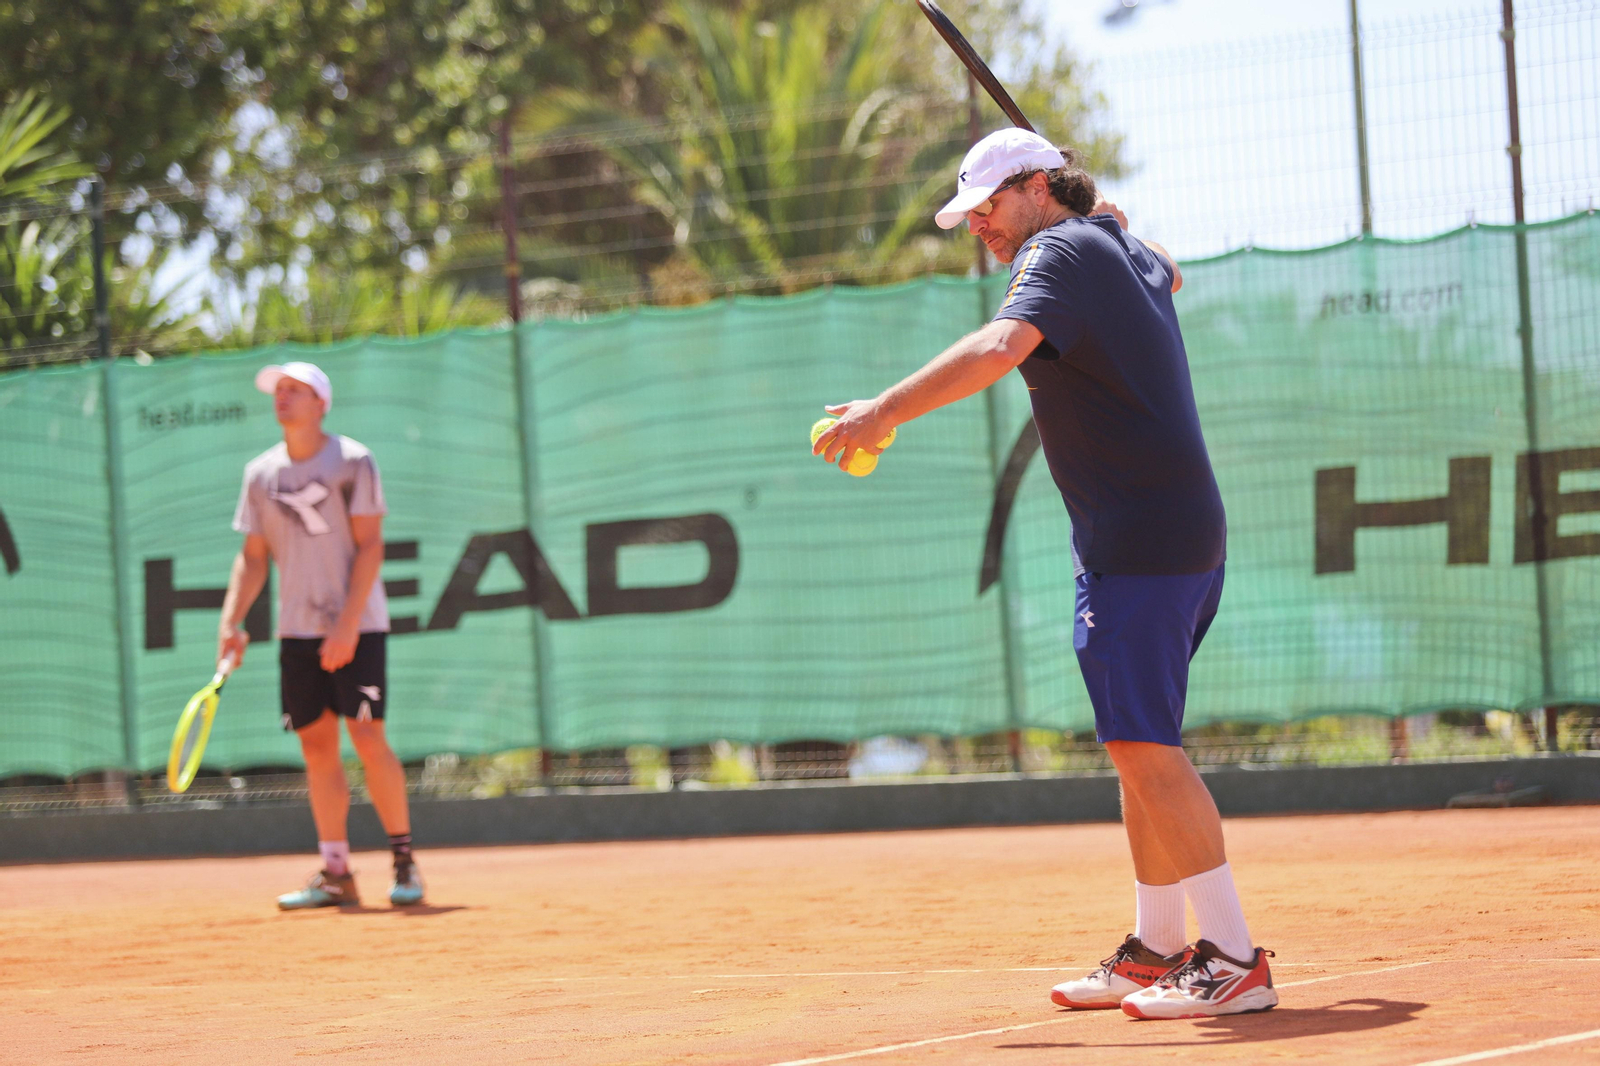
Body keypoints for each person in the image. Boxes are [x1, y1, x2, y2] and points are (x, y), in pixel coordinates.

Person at [812, 129, 1274, 1019]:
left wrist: (881, 411)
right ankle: (1158, 946)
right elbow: (1167, 268)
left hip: (1139, 536)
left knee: (1145, 748)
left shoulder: (1061, 247)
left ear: (1036, 187)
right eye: (970, 214)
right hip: (1157, 530)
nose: (979, 226)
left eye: (990, 206)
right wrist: (1107, 221)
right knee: (1137, 747)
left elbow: (997, 349)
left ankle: (1232, 958)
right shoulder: (1114, 246)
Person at [217, 361, 424, 910]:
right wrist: (231, 621)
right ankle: (336, 872)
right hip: (298, 632)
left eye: (295, 390)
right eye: (278, 390)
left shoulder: (353, 461)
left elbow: (372, 546)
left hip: (359, 624)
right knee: (315, 745)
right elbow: (254, 558)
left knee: (367, 738)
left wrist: (348, 624)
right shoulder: (259, 473)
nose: (282, 398)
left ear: (321, 404)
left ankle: (403, 859)